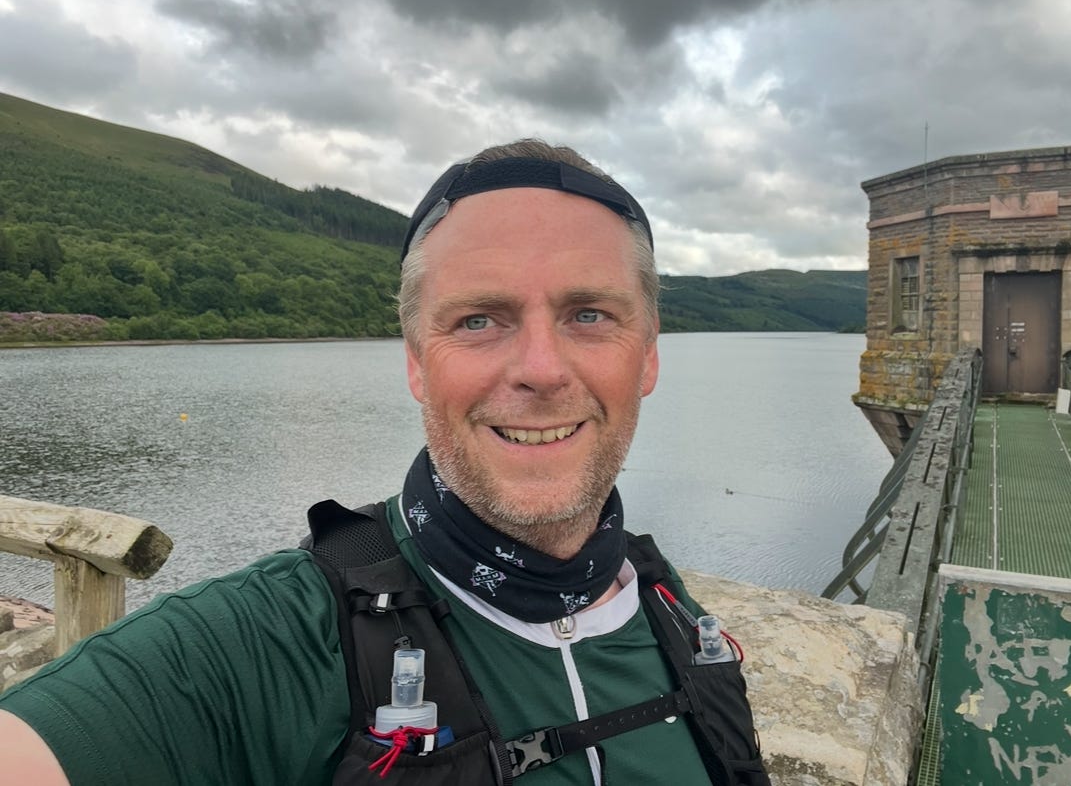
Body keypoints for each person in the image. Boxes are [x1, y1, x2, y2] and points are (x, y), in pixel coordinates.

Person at [0, 139, 761, 785]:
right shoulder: (277, 639)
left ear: (648, 355)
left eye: (589, 314)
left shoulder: (673, 612)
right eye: (479, 319)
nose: (541, 369)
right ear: (417, 363)